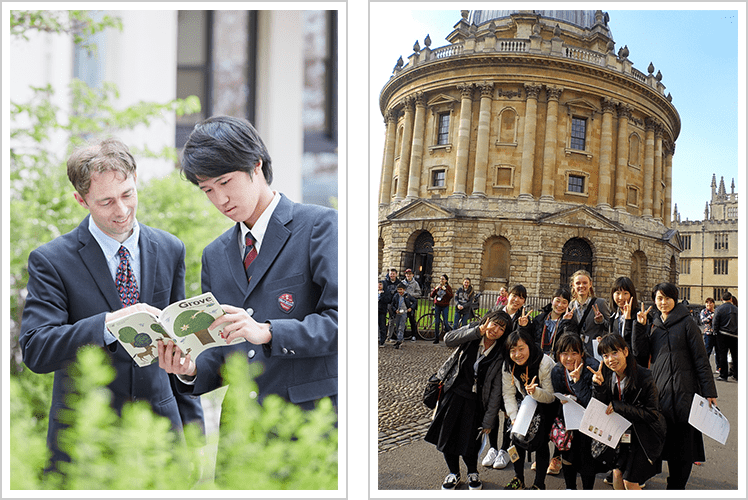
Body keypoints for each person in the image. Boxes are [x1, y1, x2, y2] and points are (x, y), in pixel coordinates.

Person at [19, 138, 204, 474]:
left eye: (127, 195)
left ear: (135, 180)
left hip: (160, 435)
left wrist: (194, 439)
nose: (121, 211)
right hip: (86, 438)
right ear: (81, 199)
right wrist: (108, 324)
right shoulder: (51, 261)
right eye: (105, 201)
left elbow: (181, 346)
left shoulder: (169, 248)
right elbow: (36, 349)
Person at [159, 115, 338, 416]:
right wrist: (189, 368)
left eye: (225, 182)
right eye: (208, 190)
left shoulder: (319, 227)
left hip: (308, 424)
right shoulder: (214, 255)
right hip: (241, 432)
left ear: (256, 165)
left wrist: (268, 331)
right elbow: (220, 349)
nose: (221, 199)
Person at [631, 282, 718, 489]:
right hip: (660, 393)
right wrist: (639, 326)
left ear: (675, 298)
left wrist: (709, 391)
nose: (663, 302)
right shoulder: (654, 325)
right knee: (663, 441)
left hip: (685, 394)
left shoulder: (687, 323)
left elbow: (701, 359)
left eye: (667, 298)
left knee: (684, 447)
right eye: (659, 298)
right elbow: (641, 355)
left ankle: (677, 486)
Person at [424, 310, 512, 490]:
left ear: (505, 333)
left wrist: (489, 418)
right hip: (454, 395)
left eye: (501, 328)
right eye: (493, 323)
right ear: (486, 321)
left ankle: (473, 471)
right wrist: (477, 331)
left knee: (471, 441)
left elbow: (496, 389)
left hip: (477, 402)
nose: (495, 329)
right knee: (448, 438)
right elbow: (448, 339)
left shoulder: (500, 353)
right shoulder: (473, 333)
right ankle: (453, 473)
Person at [590, 334, 666, 490]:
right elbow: (602, 406)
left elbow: (652, 414)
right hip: (620, 434)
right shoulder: (606, 372)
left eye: (614, 353)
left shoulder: (644, 376)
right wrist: (598, 387)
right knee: (617, 474)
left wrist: (621, 406)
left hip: (643, 435)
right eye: (605, 355)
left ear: (625, 351)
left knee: (630, 482)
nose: (610, 359)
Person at [502, 322, 557, 490]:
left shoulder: (544, 363)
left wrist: (535, 392)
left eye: (521, 348)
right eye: (512, 350)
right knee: (515, 441)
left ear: (529, 346)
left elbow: (551, 396)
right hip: (524, 404)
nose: (517, 354)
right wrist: (513, 416)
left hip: (545, 405)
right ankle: (518, 478)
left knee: (540, 443)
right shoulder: (508, 365)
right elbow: (508, 393)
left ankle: (539, 484)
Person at [482, 283, 528, 470]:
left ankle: (504, 449)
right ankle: (492, 447)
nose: (516, 300)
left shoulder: (523, 318)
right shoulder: (494, 313)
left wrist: (524, 328)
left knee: (509, 410)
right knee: (492, 408)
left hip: (511, 370)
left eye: (521, 297)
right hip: (492, 368)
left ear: (524, 301)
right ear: (508, 296)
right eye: (514, 295)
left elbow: (525, 344)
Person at [551, 333, 600, 489]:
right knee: (567, 452)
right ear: (558, 355)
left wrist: (577, 382)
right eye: (564, 353)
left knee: (586, 457)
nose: (569, 358)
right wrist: (564, 397)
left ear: (582, 353)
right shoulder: (557, 371)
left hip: (589, 419)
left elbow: (594, 402)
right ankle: (570, 487)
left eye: (574, 353)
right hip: (568, 417)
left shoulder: (592, 368)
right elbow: (557, 391)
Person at [569, 270, 610, 358]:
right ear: (573, 285)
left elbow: (611, 327)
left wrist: (601, 321)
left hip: (596, 350)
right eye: (578, 283)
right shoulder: (570, 306)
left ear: (590, 284)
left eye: (584, 283)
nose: (581, 286)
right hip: (577, 351)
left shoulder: (600, 303)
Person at [532, 287, 577, 358]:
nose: (560, 305)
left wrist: (566, 322)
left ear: (568, 305)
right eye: (557, 301)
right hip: (538, 357)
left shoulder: (571, 321)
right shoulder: (539, 319)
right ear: (552, 301)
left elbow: (569, 341)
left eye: (564, 302)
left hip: (558, 359)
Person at [713, 291, 738, 382]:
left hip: (722, 334)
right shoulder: (736, 309)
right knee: (736, 356)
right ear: (731, 299)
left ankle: (723, 375)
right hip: (735, 335)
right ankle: (737, 374)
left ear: (721, 299)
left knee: (722, 355)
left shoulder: (719, 309)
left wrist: (715, 332)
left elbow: (715, 322)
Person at [608, 277, 639, 348]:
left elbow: (637, 344)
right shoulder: (613, 315)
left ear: (631, 295)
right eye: (617, 293)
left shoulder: (639, 315)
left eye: (625, 293)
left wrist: (628, 320)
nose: (621, 297)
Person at [390, 282, 416, 349]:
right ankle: (400, 339)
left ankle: (399, 341)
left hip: (404, 313)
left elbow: (414, 301)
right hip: (398, 313)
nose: (399, 291)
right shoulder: (396, 296)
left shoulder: (407, 295)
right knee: (398, 326)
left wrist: (411, 308)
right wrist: (395, 310)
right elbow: (393, 304)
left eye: (401, 289)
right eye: (398, 289)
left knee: (401, 327)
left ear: (404, 290)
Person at [430, 274, 453, 344]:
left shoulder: (448, 288)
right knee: (437, 322)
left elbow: (450, 296)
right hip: (437, 305)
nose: (441, 280)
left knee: (445, 322)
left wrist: (445, 290)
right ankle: (436, 338)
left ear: (446, 280)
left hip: (445, 306)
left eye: (442, 279)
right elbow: (432, 295)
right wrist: (435, 289)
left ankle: (448, 337)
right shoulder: (438, 287)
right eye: (440, 279)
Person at [381, 268, 402, 342]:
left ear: (396, 274)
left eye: (393, 274)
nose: (392, 275)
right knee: (381, 319)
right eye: (391, 274)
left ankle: (389, 336)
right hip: (385, 303)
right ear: (389, 274)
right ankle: (380, 336)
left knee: (392, 320)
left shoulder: (399, 283)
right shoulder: (385, 282)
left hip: (393, 304)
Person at [402, 269, 421, 341]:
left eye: (410, 274)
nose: (408, 275)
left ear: (412, 275)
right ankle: (402, 334)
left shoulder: (415, 283)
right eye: (407, 274)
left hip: (411, 304)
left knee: (412, 320)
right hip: (403, 304)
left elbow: (419, 293)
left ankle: (414, 335)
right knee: (403, 320)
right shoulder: (402, 283)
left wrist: (411, 295)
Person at [700, 298, 717, 371]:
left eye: (710, 303)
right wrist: (712, 316)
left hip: (717, 334)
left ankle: (718, 368)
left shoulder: (717, 311)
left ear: (713, 304)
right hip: (708, 333)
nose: (708, 305)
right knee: (707, 351)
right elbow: (704, 320)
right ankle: (705, 367)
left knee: (718, 352)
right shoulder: (703, 311)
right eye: (707, 303)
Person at [378, 281, 389, 347]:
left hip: (382, 311)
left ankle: (382, 341)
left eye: (380, 285)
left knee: (382, 326)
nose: (379, 286)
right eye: (378, 284)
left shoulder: (386, 293)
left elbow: (387, 300)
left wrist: (382, 295)